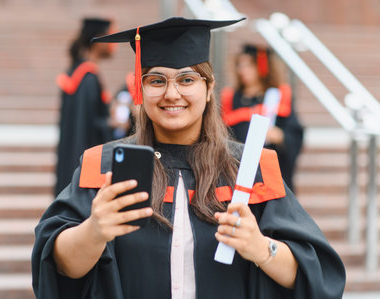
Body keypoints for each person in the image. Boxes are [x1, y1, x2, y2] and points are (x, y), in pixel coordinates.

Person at [32, 17, 345, 299]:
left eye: (186, 80)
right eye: (156, 80)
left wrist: (262, 248)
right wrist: (94, 230)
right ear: (140, 90)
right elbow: (58, 268)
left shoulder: (250, 167)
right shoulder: (103, 165)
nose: (171, 94)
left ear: (208, 89)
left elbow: (315, 275)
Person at [221, 44, 304, 193]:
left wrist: (280, 136)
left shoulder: (277, 97)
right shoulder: (230, 98)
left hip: (269, 172)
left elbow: (295, 132)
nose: (243, 70)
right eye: (240, 65)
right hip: (236, 171)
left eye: (249, 65)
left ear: (262, 67)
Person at [54, 18, 117, 197]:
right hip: (81, 160)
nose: (114, 45)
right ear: (98, 40)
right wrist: (112, 124)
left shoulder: (78, 71)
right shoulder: (87, 78)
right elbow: (88, 127)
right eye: (110, 37)